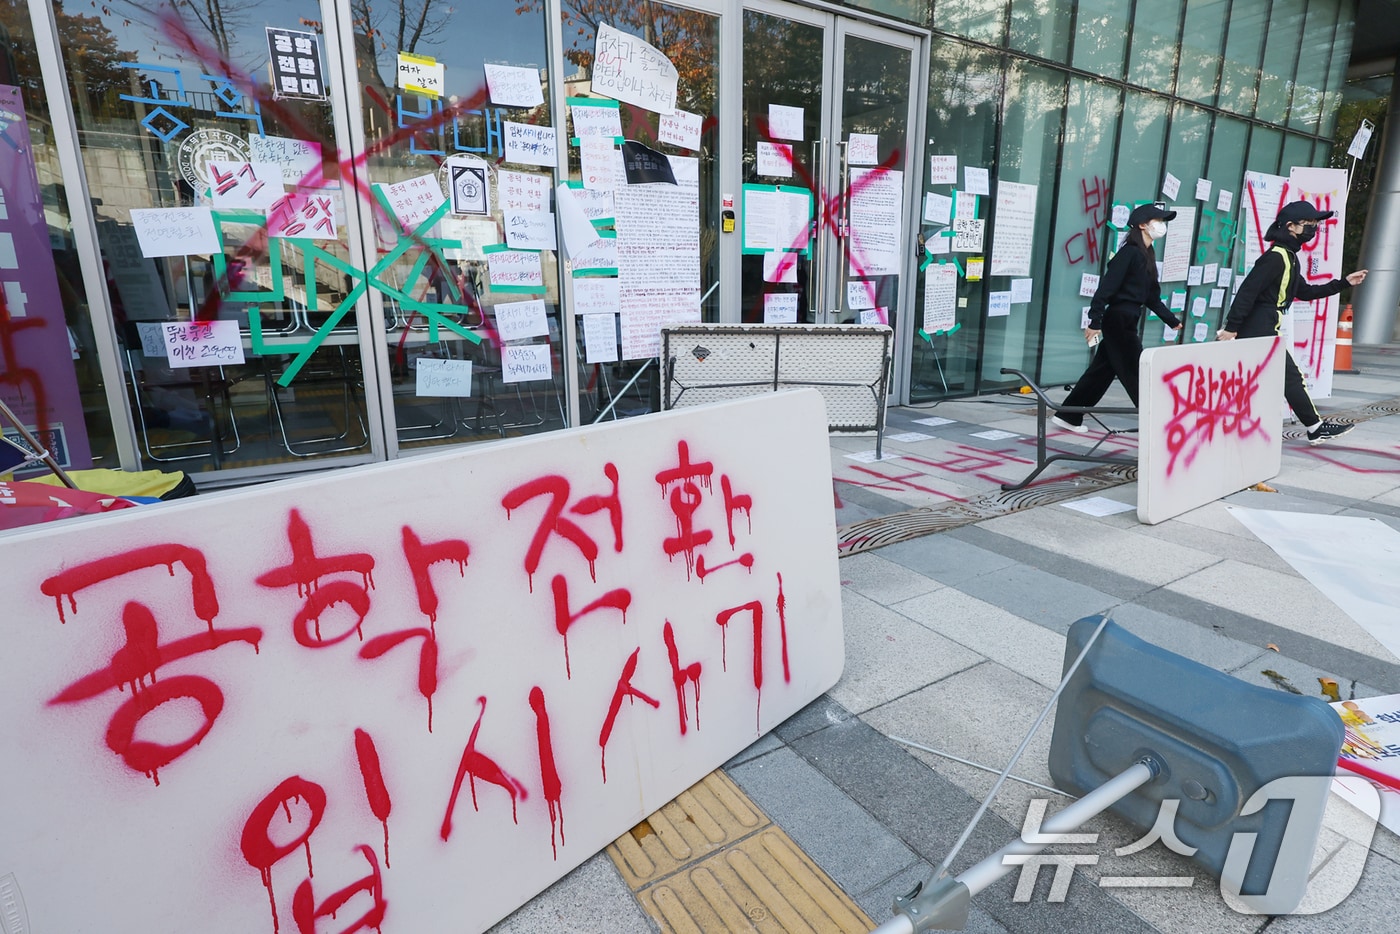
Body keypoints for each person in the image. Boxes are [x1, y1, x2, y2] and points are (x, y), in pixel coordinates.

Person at [1218, 200, 1368, 444]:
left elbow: (1306, 292)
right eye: (1308, 224)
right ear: (1290, 226)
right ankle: (1314, 427)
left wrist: (1345, 282)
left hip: (1266, 324)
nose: (1313, 229)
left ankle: (1233, 425)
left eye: (1315, 225)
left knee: (1262, 379)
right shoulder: (1276, 258)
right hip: (1259, 326)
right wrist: (1231, 328)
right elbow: (1248, 292)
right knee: (1288, 376)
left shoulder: (1288, 257)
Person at [1053, 203, 1182, 433]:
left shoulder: (1147, 255)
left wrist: (1170, 320)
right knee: (1136, 370)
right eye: (1158, 221)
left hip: (1128, 319)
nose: (1161, 226)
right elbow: (1106, 288)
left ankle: (1068, 416)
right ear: (1143, 225)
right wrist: (1095, 321)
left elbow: (1151, 296)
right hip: (1119, 320)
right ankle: (1155, 422)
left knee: (1100, 373)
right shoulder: (1130, 252)